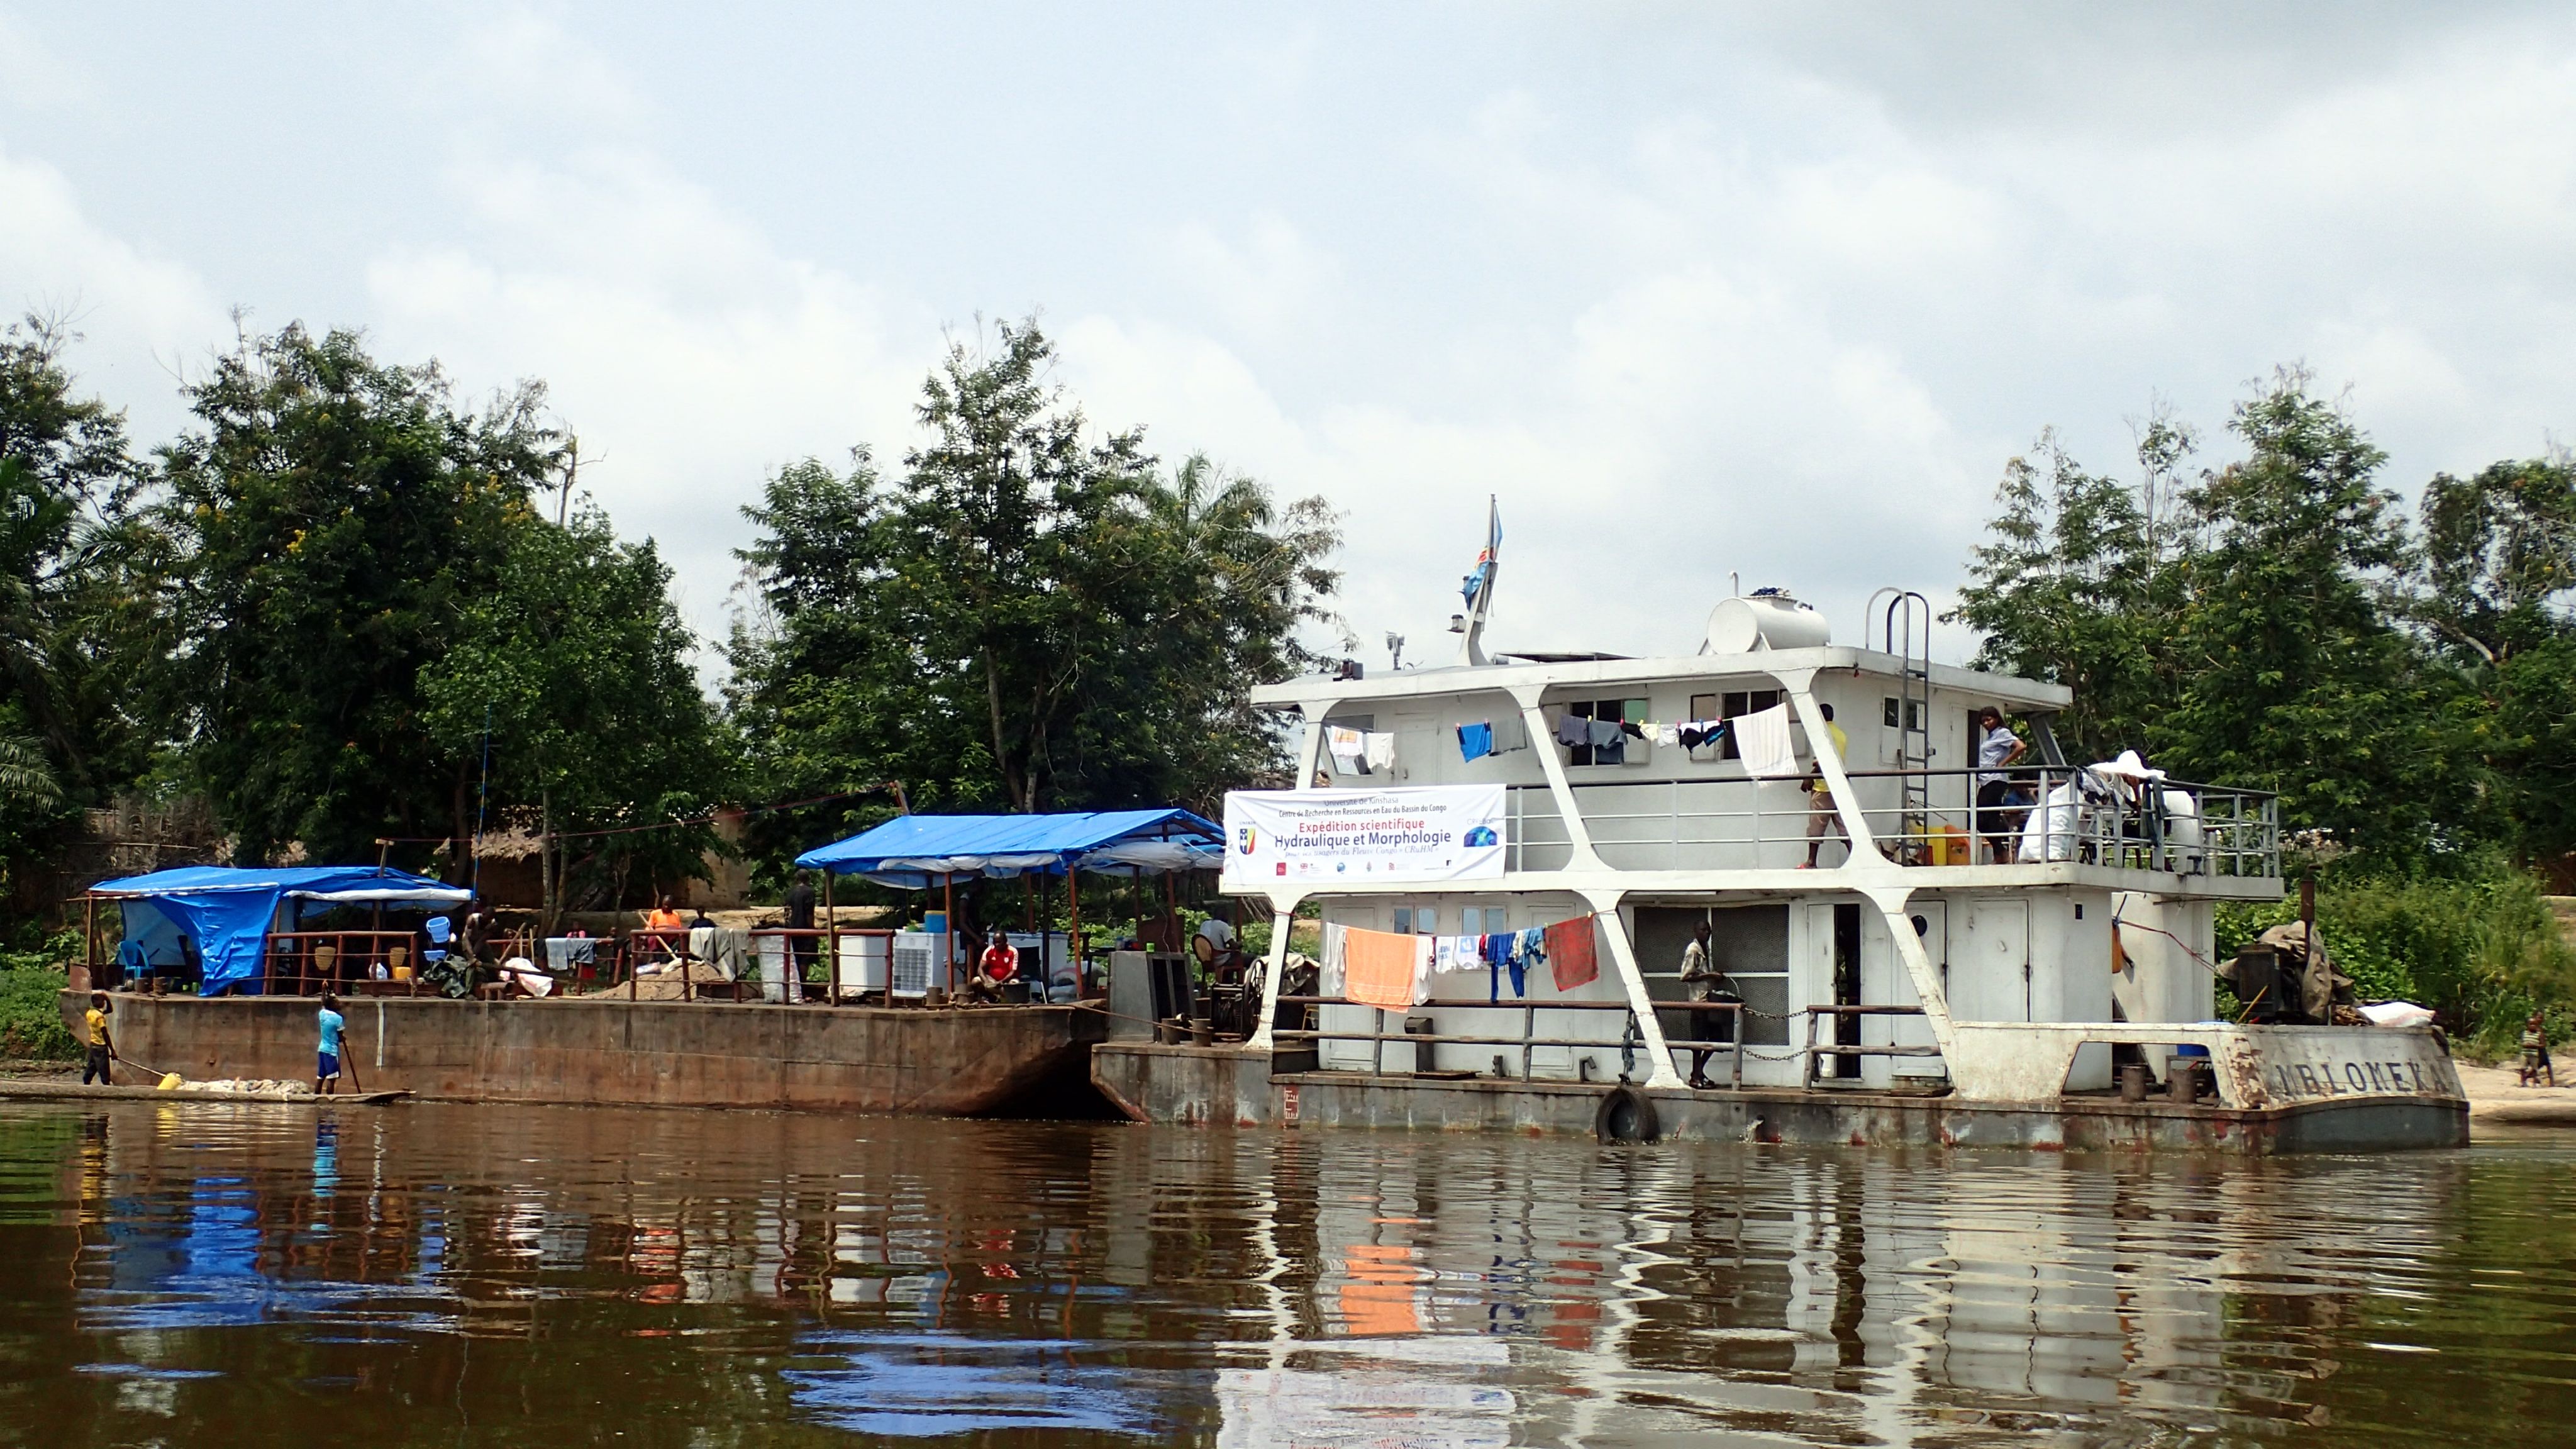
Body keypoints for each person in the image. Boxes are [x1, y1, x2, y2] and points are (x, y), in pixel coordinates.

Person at [1676, 921, 1740, 1091]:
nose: (1707, 933)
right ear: (1696, 931)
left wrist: (1715, 977)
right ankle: (1696, 1077)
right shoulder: (1693, 950)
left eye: (1709, 931)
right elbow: (1686, 976)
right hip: (1698, 1002)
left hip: (1709, 1000)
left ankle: (1698, 1072)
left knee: (1716, 1037)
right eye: (1703, 930)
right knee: (1698, 1040)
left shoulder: (1706, 949)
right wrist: (1710, 975)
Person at [1974, 707, 2029, 863]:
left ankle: (2002, 852)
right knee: (1980, 819)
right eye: (1983, 721)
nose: (1986, 723)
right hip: (1986, 780)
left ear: (1997, 719)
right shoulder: (1991, 737)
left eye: (1989, 719)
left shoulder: (2002, 733)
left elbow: (2021, 746)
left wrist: (2003, 763)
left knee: (1988, 817)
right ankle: (2002, 849)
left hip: (1996, 779)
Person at [1801, 702, 1850, 869]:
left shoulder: (1824, 733)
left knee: (1816, 826)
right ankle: (1859, 860)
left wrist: (1810, 778)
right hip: (1839, 785)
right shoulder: (1841, 734)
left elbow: (1825, 758)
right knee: (1844, 828)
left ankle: (1811, 862)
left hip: (1824, 787)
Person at [784, 871, 818, 979]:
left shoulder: (791, 892)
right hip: (805, 930)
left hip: (792, 930)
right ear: (808, 879)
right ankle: (803, 988)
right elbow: (809, 913)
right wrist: (813, 931)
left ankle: (795, 987)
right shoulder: (809, 892)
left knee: (795, 958)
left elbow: (786, 913)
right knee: (805, 959)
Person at [969, 932, 1019, 1003]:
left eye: (999, 942)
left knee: (1015, 984)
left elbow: (1013, 971)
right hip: (992, 981)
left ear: (1005, 941)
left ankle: (1007, 999)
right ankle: (991, 998)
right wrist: (986, 982)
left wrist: (1002, 982)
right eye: (995, 942)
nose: (996, 945)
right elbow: (980, 969)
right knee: (975, 981)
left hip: (1007, 982)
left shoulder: (1013, 952)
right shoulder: (989, 951)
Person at [316, 992, 347, 1096]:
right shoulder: (338, 1019)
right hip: (332, 1052)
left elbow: (323, 1003)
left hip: (322, 1049)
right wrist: (343, 1039)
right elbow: (339, 1036)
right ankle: (330, 1099)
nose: (340, 1004)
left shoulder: (322, 1014)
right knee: (331, 1078)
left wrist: (324, 989)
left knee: (321, 1078)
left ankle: (316, 1096)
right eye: (337, 1003)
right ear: (333, 1005)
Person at [81, 991, 113, 1086]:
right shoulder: (99, 1017)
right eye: (102, 1001)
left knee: (92, 1067)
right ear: (96, 1002)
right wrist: (112, 1050)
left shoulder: (90, 1013)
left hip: (93, 1045)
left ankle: (86, 1084)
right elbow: (105, 1034)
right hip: (101, 1046)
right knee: (104, 1071)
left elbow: (110, 1010)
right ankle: (107, 1088)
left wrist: (107, 999)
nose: (104, 1003)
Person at [2521, 1012, 2555, 1087]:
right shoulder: (2534, 1029)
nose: (2541, 1020)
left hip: (2541, 1049)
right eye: (2539, 1017)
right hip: (2537, 1051)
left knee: (2546, 1065)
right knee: (2539, 1066)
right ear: (2535, 1017)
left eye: (2542, 1018)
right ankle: (2525, 1078)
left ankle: (2552, 1082)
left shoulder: (2539, 1028)